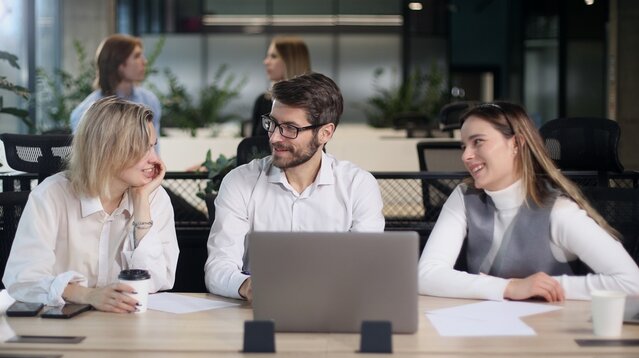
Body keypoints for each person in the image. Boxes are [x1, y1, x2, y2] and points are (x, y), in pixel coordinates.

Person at [418, 101, 639, 302]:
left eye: (478, 142)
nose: (466, 156)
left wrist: (545, 287)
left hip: (547, 334)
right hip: (485, 333)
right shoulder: (464, 197)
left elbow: (631, 283)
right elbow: (426, 276)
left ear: (517, 144)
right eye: (464, 146)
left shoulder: (558, 212)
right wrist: (511, 287)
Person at [205, 73, 385, 301]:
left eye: (290, 128)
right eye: (272, 124)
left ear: (325, 133)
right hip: (258, 313)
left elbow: (366, 270)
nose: (274, 138)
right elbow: (217, 269)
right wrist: (245, 285)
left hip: (334, 312)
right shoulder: (240, 182)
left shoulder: (357, 186)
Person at [3, 96, 179, 313]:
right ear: (108, 149)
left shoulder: (154, 197)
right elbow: (22, 279)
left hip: (128, 324)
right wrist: (88, 295)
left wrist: (141, 202)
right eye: (143, 148)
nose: (154, 159)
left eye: (153, 146)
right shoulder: (50, 195)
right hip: (63, 326)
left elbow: (159, 280)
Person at [70, 34, 161, 140]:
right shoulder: (86, 111)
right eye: (136, 56)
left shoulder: (149, 101)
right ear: (119, 63)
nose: (144, 61)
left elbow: (154, 149)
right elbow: (86, 155)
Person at [250, 36, 311, 137]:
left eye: (273, 56)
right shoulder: (263, 101)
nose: (266, 62)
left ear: (291, 60)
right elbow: (252, 147)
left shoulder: (313, 103)